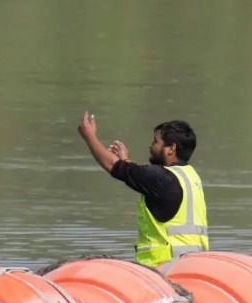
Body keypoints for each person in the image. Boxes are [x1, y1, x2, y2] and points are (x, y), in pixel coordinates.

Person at [76, 112, 208, 267]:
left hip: (164, 268)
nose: (151, 146)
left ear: (171, 148)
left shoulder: (161, 178)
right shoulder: (190, 176)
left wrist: (89, 136)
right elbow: (144, 178)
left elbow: (114, 166)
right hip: (194, 266)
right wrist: (125, 161)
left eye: (156, 142)